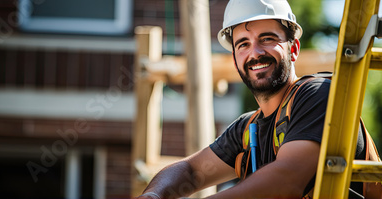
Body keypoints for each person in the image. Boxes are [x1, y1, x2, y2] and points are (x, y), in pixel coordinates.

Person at [136, 0, 370, 198]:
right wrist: (153, 195)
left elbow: (287, 180)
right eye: (243, 44)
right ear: (235, 58)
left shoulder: (318, 96)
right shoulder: (249, 130)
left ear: (294, 48)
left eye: (267, 39)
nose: (255, 53)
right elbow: (191, 170)